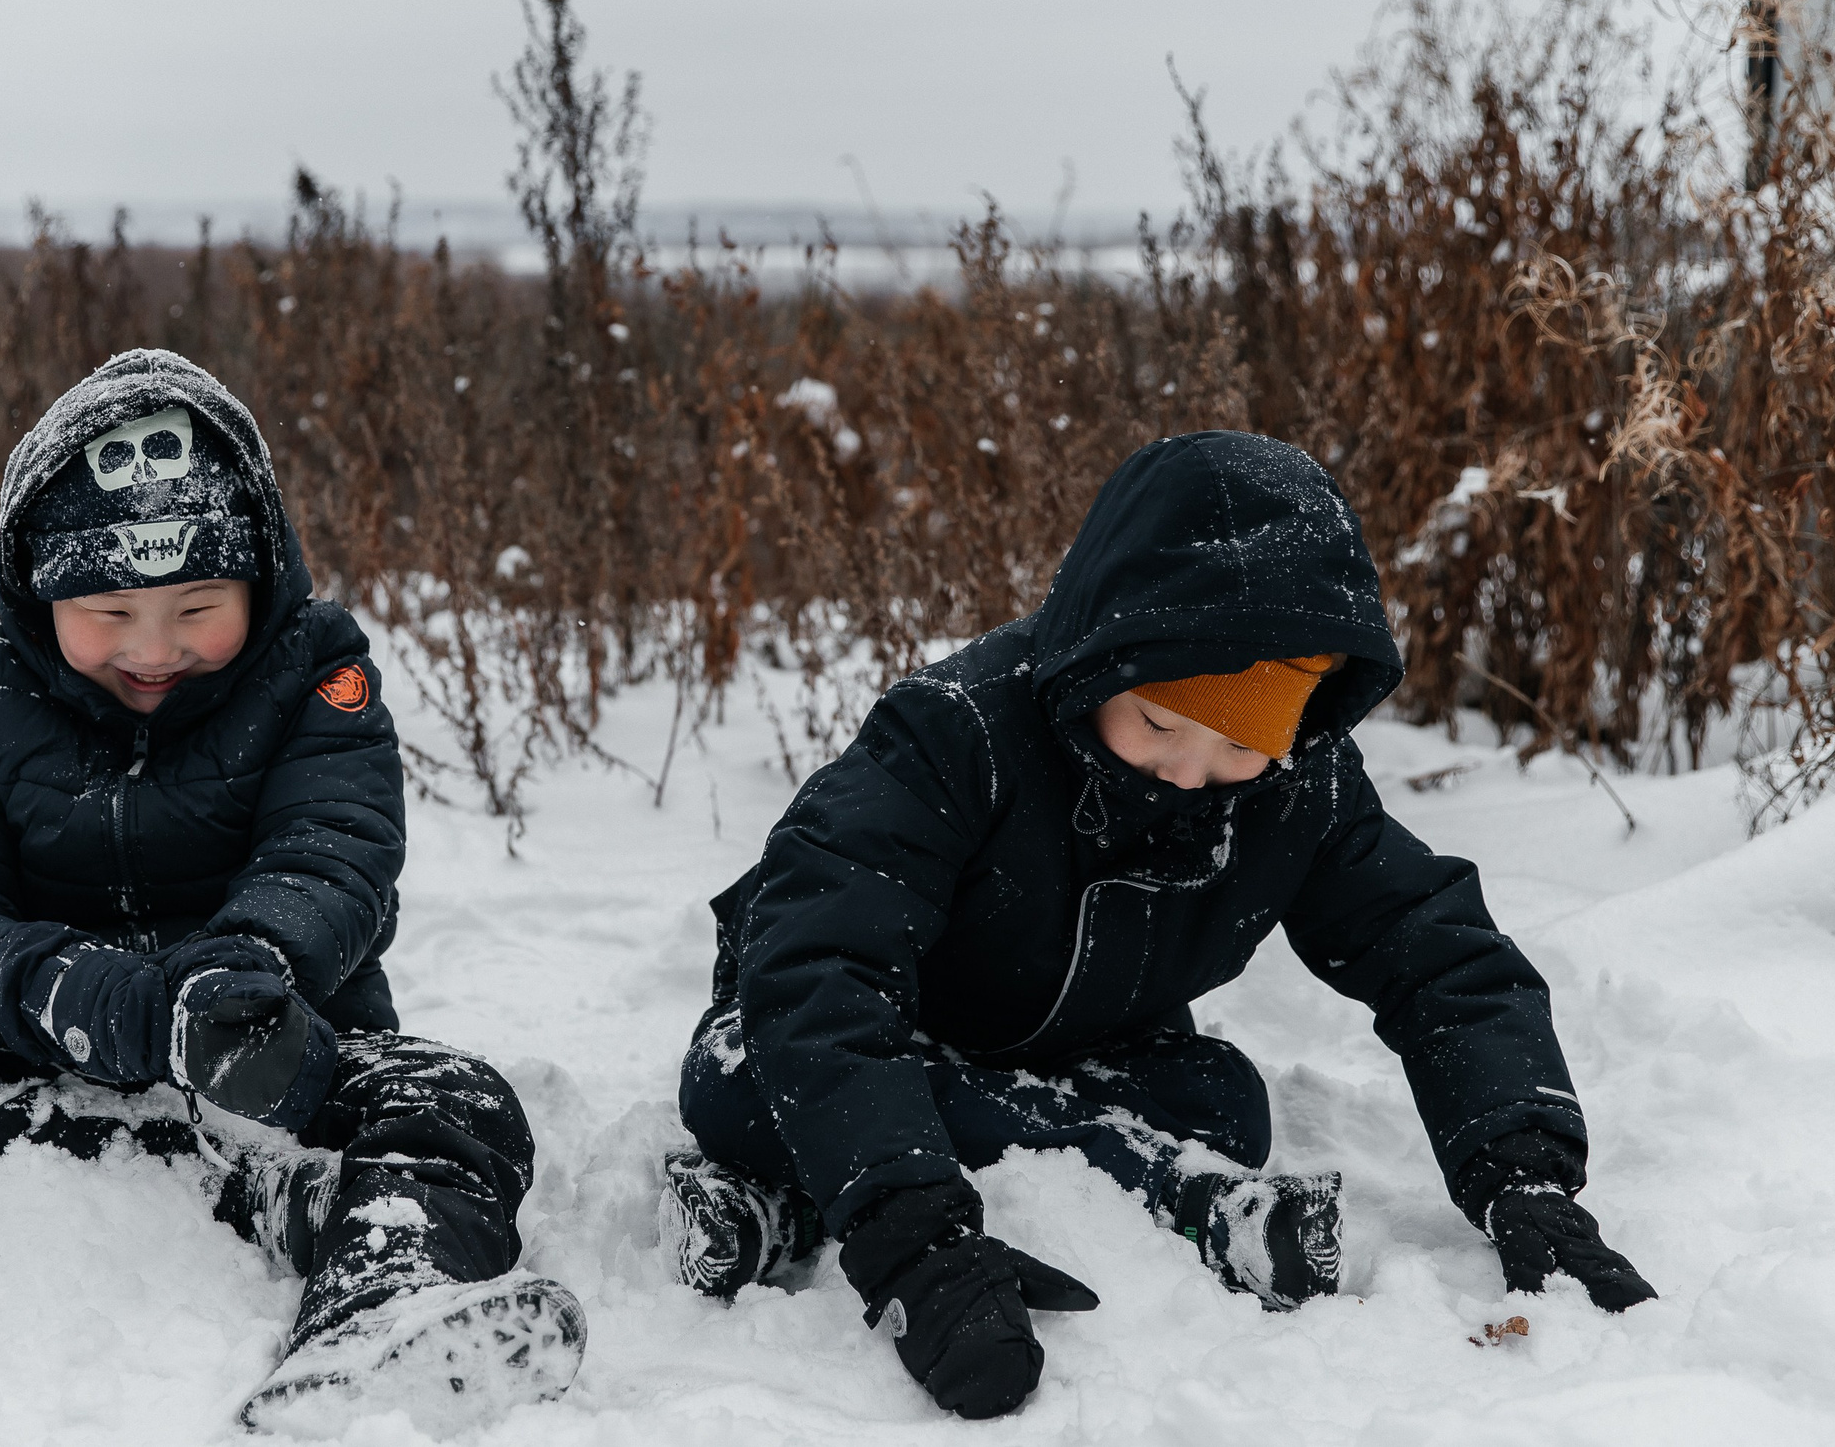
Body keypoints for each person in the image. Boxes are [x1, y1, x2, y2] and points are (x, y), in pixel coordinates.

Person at [659, 430, 1653, 1420]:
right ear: (1100, 662)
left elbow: (1438, 955)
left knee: (1225, 1103)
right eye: (1160, 722)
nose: (1187, 771)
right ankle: (1127, 1184)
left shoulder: (1301, 785)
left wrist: (1524, 1181)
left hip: (1091, 1046)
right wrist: (912, 1242)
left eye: (1239, 742)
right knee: (739, 1083)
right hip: (868, 1022)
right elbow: (817, 960)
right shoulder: (955, 730)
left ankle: (803, 1193)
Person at [0, 349, 583, 1427]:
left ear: (259, 580)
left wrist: (245, 967)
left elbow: (335, 848)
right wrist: (80, 994)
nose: (154, 649)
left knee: (459, 1103)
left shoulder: (316, 670)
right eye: (110, 613)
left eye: (198, 607)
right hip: (57, 1072)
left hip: (283, 1055)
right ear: (39, 588)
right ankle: (243, 1189)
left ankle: (382, 1303)